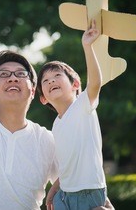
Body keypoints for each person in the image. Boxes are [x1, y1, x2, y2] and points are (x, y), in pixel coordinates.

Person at [0, 0, 114, 210]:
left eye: (21, 74)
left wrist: (106, 207)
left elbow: (77, 177)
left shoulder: (47, 140)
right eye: (3, 74)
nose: (13, 78)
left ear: (34, 92)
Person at [37, 19, 107, 210]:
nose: (51, 81)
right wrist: (55, 189)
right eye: (46, 81)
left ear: (75, 84)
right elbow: (69, 166)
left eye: (57, 76)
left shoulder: (83, 106)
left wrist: (88, 46)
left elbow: (95, 83)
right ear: (43, 98)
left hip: (87, 193)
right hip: (64, 194)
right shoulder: (56, 125)